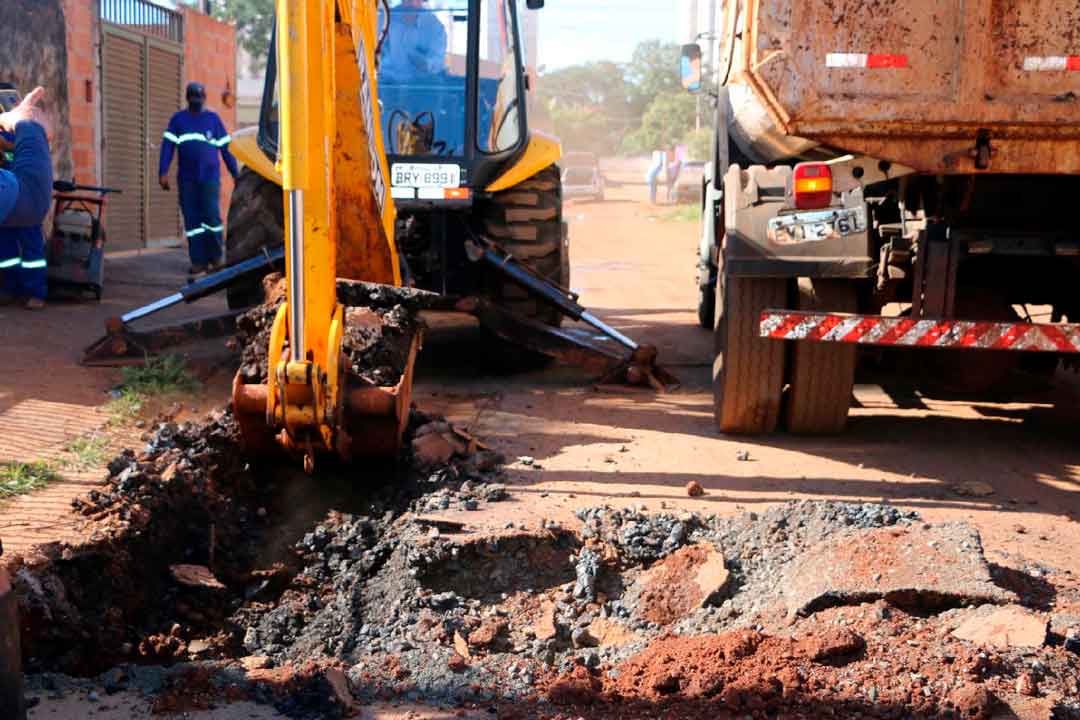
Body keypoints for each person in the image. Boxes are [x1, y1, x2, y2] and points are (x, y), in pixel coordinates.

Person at [159, 82, 239, 276]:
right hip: (187, 181)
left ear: (204, 99)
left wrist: (236, 174)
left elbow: (226, 149)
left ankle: (216, 258)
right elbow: (167, 147)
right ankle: (198, 261)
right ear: (188, 99)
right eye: (193, 99)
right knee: (193, 221)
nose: (196, 102)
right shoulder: (178, 120)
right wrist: (162, 172)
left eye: (199, 99)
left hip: (209, 180)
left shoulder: (213, 120)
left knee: (212, 217)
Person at [0, 87, 52, 310]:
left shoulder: (15, 131)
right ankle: (10, 288)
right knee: (6, 250)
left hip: (23, 195)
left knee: (32, 250)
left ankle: (35, 292)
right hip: (10, 199)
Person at [380, 0, 448, 81]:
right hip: (388, 85)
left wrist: (426, 64)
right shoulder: (384, 19)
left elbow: (438, 61)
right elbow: (373, 53)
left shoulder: (435, 26)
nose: (412, 3)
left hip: (419, 87)